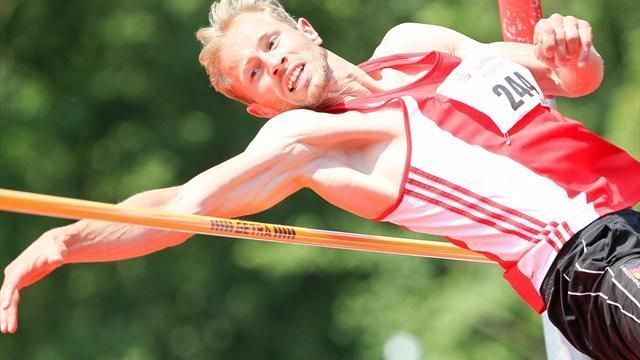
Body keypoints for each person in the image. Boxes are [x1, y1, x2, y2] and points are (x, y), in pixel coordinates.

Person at [1, 0, 639, 358]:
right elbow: (178, 206)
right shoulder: (311, 142)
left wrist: (574, 51)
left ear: (304, 30)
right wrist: (61, 242)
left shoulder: (415, 40)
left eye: (273, 44)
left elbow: (566, 80)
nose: (274, 64)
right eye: (255, 73)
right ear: (261, 108)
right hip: (589, 263)